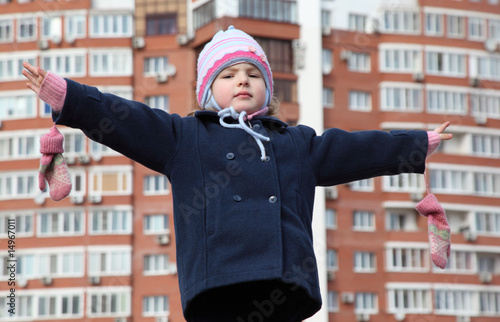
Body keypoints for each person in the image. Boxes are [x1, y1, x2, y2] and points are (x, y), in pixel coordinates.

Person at [23, 26, 452, 322]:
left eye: (253, 74)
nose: (242, 81)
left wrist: (418, 143)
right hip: (218, 284)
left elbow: (356, 149)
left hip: (284, 284)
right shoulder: (185, 137)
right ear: (210, 89)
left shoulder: (296, 142)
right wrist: (68, 97)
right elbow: (129, 120)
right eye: (229, 75)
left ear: (267, 87)